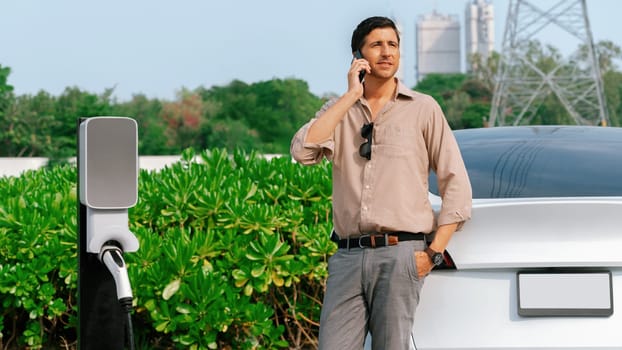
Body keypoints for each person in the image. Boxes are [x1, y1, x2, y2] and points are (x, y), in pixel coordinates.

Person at [290, 16, 472, 350]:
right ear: (358, 57)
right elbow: (303, 151)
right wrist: (351, 95)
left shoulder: (423, 109)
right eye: (376, 45)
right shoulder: (338, 111)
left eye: (393, 45)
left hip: (401, 253)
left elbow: (456, 183)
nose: (386, 52)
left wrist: (432, 252)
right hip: (347, 257)